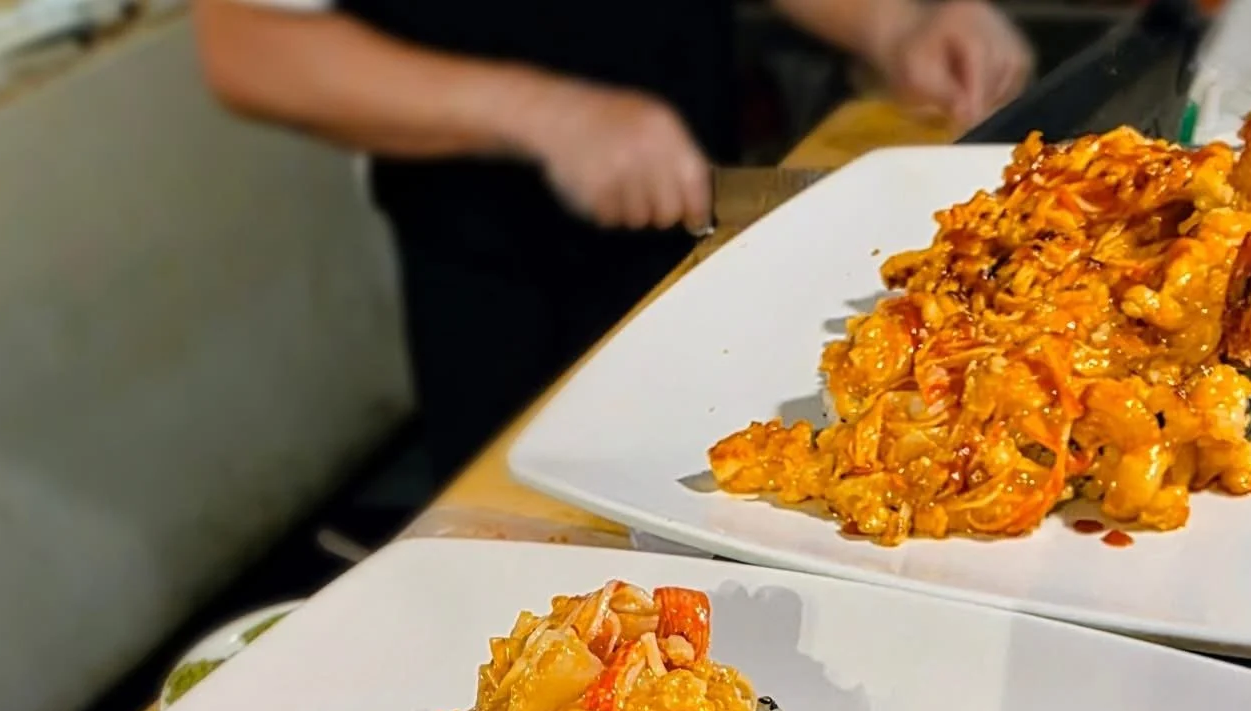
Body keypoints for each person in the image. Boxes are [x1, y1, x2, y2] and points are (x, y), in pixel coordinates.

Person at [193, 0, 1032, 481]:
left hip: (694, 223)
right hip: (502, 275)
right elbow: (249, 48)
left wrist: (896, 24)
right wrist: (544, 114)